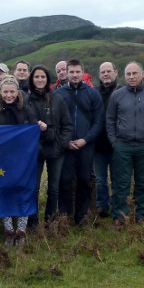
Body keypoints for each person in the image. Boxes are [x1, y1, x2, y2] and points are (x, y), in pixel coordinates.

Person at [106, 62, 144, 226]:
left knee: (142, 181)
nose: (131, 77)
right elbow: (110, 119)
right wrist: (114, 141)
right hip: (122, 146)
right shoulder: (117, 95)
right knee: (121, 183)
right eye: (128, 74)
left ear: (143, 74)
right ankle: (119, 217)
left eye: (134, 73)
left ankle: (141, 216)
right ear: (124, 76)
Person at [0, 75, 37, 246]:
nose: (9, 95)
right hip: (2, 159)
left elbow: (34, 126)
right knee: (4, 191)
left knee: (23, 191)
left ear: (18, 92)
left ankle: (21, 230)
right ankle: (9, 230)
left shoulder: (26, 108)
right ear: (0, 92)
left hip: (23, 159)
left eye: (12, 92)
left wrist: (41, 126)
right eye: (5, 92)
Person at [55, 59, 105, 226]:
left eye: (78, 72)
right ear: (66, 73)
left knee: (84, 180)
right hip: (66, 146)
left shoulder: (92, 94)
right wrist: (65, 141)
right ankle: (65, 216)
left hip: (86, 146)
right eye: (71, 72)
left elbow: (99, 121)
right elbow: (55, 122)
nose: (75, 75)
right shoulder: (59, 94)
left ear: (82, 72)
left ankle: (82, 216)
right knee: (65, 181)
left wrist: (86, 139)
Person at [25, 65, 73, 229]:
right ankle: (32, 221)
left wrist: (62, 143)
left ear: (48, 80)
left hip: (55, 150)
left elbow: (67, 125)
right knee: (34, 188)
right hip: (34, 150)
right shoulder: (26, 101)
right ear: (32, 79)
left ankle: (50, 220)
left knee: (53, 187)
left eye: (43, 77)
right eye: (36, 77)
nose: (39, 80)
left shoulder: (58, 99)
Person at [93, 62, 120, 218]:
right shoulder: (94, 93)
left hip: (117, 145)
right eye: (103, 72)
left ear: (115, 72)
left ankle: (118, 207)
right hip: (99, 145)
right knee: (100, 180)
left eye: (109, 71)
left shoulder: (123, 91)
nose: (106, 74)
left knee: (117, 179)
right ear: (99, 75)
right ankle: (102, 208)